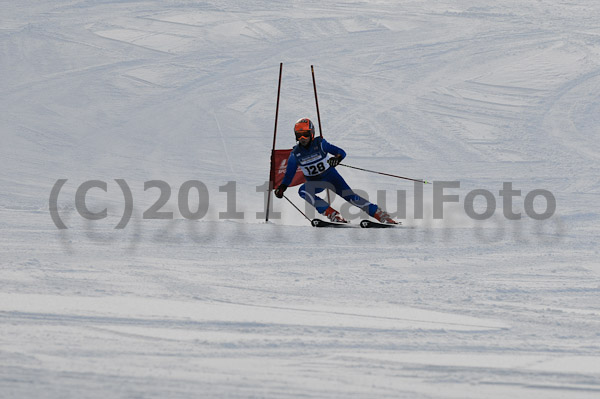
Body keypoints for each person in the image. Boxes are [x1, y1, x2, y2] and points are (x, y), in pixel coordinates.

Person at [274, 117, 397, 224]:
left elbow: (341, 152)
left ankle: (380, 215)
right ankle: (332, 214)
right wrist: (282, 187)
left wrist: (336, 159)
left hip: (331, 176)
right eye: (298, 135)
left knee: (350, 197)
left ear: (312, 133)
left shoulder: (320, 144)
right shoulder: (295, 154)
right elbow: (289, 174)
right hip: (315, 182)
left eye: (305, 134)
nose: (302, 138)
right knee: (303, 191)